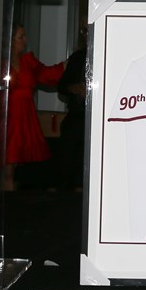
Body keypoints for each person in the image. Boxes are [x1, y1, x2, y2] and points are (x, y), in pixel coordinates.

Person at [2, 23, 65, 190]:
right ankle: (3, 200)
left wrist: (67, 64)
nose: (25, 40)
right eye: (20, 37)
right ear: (10, 40)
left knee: (16, 167)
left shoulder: (28, 61)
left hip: (25, 115)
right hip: (7, 115)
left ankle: (11, 201)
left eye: (24, 36)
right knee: (7, 165)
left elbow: (47, 75)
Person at [56, 24, 88, 192]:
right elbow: (61, 86)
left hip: (100, 119)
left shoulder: (112, 54)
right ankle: (65, 194)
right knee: (67, 158)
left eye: (89, 30)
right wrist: (72, 87)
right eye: (84, 31)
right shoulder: (77, 58)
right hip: (76, 115)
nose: (86, 35)